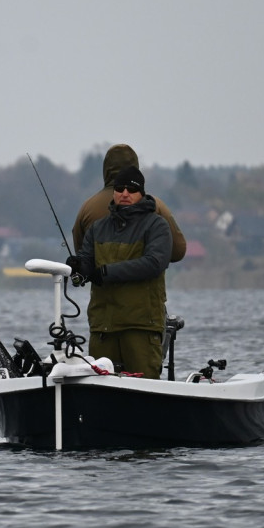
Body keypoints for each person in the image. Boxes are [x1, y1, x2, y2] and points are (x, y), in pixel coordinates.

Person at [67, 166, 172, 378]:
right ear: (113, 192)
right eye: (120, 188)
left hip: (141, 326)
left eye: (131, 189)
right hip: (103, 327)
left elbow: (154, 263)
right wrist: (79, 267)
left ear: (141, 193)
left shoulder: (157, 226)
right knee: (98, 389)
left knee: (145, 390)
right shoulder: (97, 228)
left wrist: (106, 272)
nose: (124, 193)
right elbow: (88, 260)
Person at [72, 144, 186, 263]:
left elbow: (82, 253)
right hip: (146, 279)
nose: (125, 194)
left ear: (106, 170)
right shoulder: (155, 205)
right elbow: (178, 251)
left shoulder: (88, 208)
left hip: (102, 280)